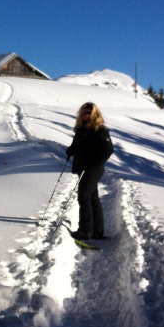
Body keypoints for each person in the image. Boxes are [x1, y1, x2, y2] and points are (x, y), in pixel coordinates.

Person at [65, 102, 114, 240]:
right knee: (92, 197)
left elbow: (108, 149)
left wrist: (96, 162)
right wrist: (71, 150)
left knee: (83, 196)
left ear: (94, 115)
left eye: (88, 113)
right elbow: (76, 146)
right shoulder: (81, 129)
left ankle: (85, 231)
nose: (85, 115)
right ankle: (96, 231)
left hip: (93, 169)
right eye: (84, 112)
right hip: (82, 167)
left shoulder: (100, 129)